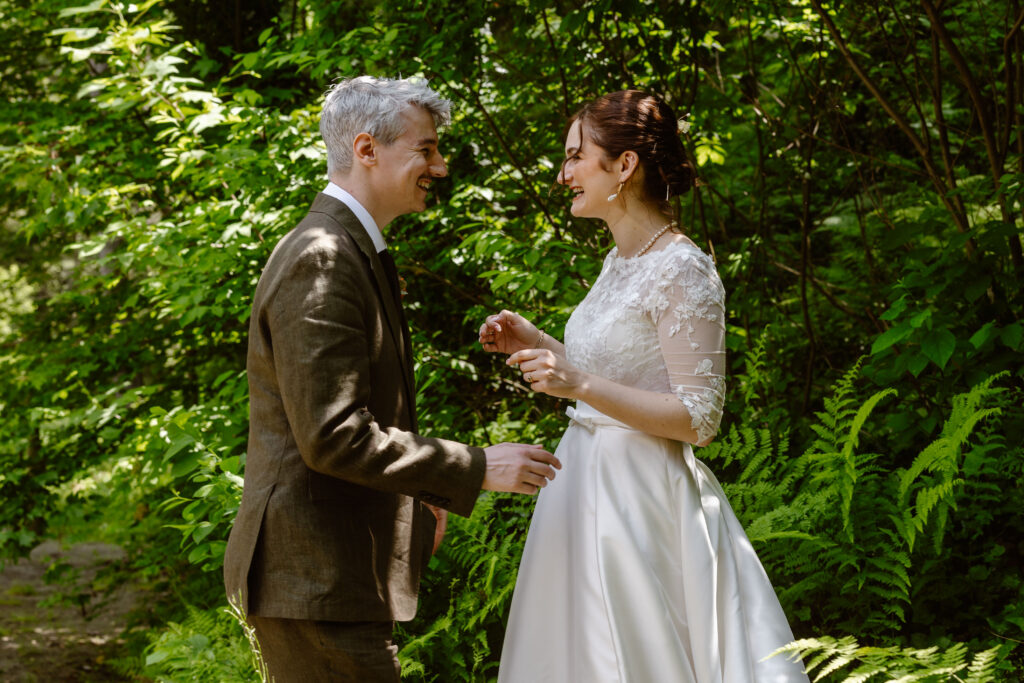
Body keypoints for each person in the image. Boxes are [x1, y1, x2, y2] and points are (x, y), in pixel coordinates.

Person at [223, 76, 561, 683]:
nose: (440, 163)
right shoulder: (322, 256)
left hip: (331, 576)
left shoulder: (351, 248)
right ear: (366, 149)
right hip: (314, 578)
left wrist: (416, 496)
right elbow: (333, 436)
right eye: (425, 149)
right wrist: (477, 466)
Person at [480, 91, 808, 682]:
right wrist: (541, 345)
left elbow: (699, 418)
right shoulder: (619, 262)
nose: (564, 174)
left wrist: (574, 380)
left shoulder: (683, 268)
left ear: (623, 165)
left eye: (577, 157)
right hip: (579, 485)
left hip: (642, 500)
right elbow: (612, 376)